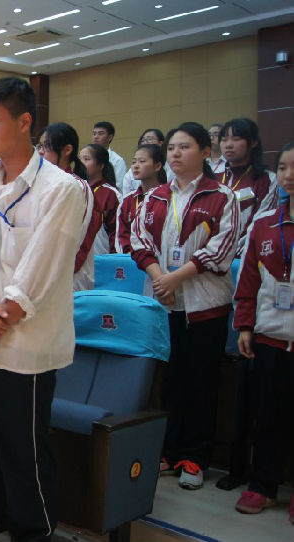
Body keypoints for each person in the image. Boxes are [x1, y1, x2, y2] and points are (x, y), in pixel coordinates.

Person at [0, 78, 84, 542]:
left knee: (24, 458)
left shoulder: (62, 190)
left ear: (25, 122)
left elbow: (36, 277)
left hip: (23, 352)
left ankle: (33, 534)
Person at [130, 121, 240, 490]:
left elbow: (221, 250)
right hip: (163, 304)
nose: (176, 153)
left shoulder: (222, 197)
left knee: (201, 383)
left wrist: (176, 278)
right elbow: (138, 240)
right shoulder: (155, 197)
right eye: (172, 147)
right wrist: (160, 277)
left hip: (204, 306)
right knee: (170, 383)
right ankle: (169, 450)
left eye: (185, 147)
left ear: (205, 153)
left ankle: (195, 457)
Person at [231, 142, 293, 522]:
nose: (289, 175)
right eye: (283, 167)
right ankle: (263, 485)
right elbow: (249, 280)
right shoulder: (265, 223)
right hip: (269, 336)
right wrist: (245, 324)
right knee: (267, 415)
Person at [37, 123, 99, 292]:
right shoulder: (38, 186)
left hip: (69, 278)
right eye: (39, 146)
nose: (41, 152)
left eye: (47, 146)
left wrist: (53, 274)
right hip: (40, 276)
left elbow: (80, 239)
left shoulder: (77, 186)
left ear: (67, 150)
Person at [218, 118, 279, 254]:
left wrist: (229, 252)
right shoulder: (213, 177)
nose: (228, 145)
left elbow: (261, 222)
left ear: (253, 142)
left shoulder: (267, 179)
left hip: (244, 254)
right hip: (208, 255)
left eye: (236, 139)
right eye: (224, 139)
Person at [117, 144, 166, 253]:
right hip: (131, 258)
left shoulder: (167, 198)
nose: (136, 166)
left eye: (142, 161)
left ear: (158, 166)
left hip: (159, 257)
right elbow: (122, 235)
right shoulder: (128, 200)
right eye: (134, 162)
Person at [81, 143, 122, 255]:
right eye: (80, 159)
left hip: (102, 259)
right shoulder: (78, 188)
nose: (81, 163)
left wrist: (114, 259)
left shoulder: (111, 193)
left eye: (86, 159)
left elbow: (117, 232)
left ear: (101, 165)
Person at [121, 129, 173, 194]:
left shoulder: (171, 166)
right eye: (134, 162)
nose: (145, 143)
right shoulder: (130, 197)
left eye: (149, 139)